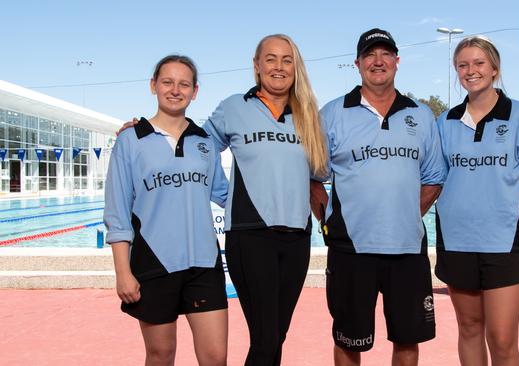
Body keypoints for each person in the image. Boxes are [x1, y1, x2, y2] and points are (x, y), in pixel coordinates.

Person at [311, 28, 445, 366]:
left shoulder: (421, 114)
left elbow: (433, 179)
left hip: (407, 249)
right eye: (370, 54)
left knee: (407, 340)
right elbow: (313, 178)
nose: (378, 61)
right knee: (349, 341)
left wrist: (404, 216)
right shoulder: (332, 114)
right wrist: (328, 221)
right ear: (357, 64)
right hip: (350, 249)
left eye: (385, 54)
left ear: (397, 62)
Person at [203, 34, 328, 366]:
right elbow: (199, 149)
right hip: (250, 234)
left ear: (296, 67)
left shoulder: (308, 114)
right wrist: (223, 194)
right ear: (257, 66)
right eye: (270, 59)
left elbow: (320, 170)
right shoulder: (234, 107)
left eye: (287, 60)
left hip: (297, 238)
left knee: (277, 335)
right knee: (266, 337)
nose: (279, 67)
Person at [435, 36, 519, 366]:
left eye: (478, 63)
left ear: (494, 69)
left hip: (505, 243)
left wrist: (506, 213)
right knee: (469, 328)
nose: (470, 70)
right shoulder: (444, 122)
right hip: (458, 240)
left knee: (501, 338)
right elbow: (436, 178)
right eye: (463, 65)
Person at [104, 55, 229, 366]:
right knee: (161, 354)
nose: (176, 90)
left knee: (216, 357)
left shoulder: (205, 143)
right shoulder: (131, 140)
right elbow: (117, 210)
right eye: (167, 82)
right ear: (153, 86)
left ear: (195, 91)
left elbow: (226, 195)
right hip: (154, 261)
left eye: (184, 84)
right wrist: (123, 272)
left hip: (203, 262)